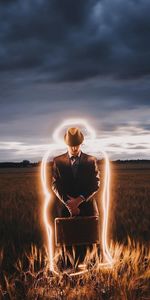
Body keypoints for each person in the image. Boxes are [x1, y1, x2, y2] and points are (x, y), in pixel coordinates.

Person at [51, 127, 100, 269]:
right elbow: (55, 185)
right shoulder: (58, 161)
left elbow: (96, 184)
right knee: (67, 247)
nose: (74, 148)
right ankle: (69, 279)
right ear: (66, 144)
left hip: (87, 209)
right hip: (66, 211)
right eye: (71, 145)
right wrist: (68, 204)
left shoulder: (91, 160)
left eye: (76, 145)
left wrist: (78, 201)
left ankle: (91, 281)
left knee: (90, 246)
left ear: (81, 144)